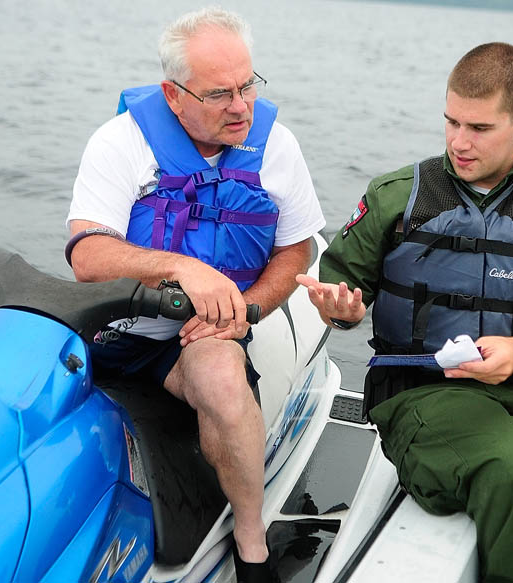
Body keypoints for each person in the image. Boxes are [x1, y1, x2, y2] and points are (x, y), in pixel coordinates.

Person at [297, 42, 513, 583]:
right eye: (451, 122)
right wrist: (338, 309)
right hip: (422, 391)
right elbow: (342, 295)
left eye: (479, 128)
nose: (459, 141)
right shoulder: (396, 197)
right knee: (511, 470)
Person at [66, 7, 325, 582]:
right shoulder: (121, 143)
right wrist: (183, 268)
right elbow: (87, 256)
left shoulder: (276, 148)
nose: (240, 106)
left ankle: (251, 542)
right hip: (114, 326)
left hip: (199, 338)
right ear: (173, 94)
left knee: (223, 375)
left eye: (247, 86)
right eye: (219, 94)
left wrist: (247, 309)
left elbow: (294, 250)